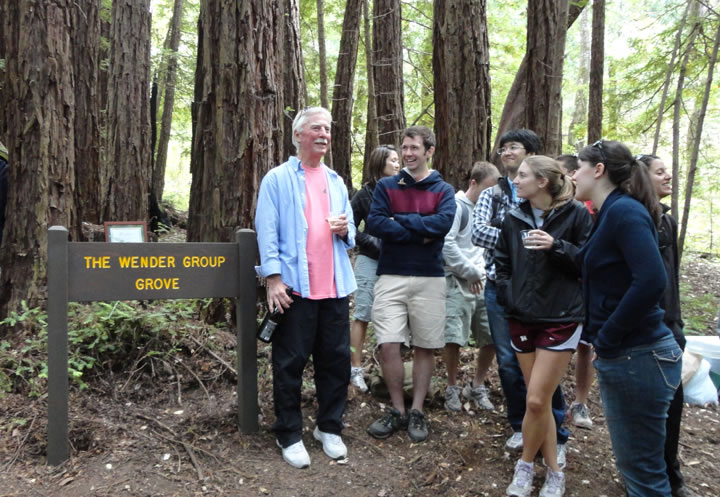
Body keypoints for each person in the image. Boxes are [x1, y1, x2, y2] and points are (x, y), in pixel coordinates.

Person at [573, 140, 682, 497]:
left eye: (578, 167)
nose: (572, 175)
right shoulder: (609, 212)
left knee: (644, 475)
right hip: (630, 354)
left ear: (598, 170)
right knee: (637, 469)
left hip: (639, 356)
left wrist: (608, 337)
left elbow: (651, 280)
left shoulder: (624, 212)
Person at [255, 106, 357, 469]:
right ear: (299, 134)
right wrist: (273, 279)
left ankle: (329, 427)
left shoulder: (336, 181)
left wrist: (346, 230)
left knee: (336, 362)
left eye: (327, 129)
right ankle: (289, 433)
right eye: (316, 128)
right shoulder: (277, 179)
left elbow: (350, 231)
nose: (324, 134)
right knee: (290, 363)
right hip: (295, 289)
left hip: (334, 287)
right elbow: (266, 231)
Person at [472, 129, 570, 465]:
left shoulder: (555, 200)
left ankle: (557, 433)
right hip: (500, 286)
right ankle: (520, 424)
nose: (506, 152)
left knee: (545, 365)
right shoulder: (492, 193)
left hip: (545, 291)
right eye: (502, 147)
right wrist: (520, 238)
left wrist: (518, 237)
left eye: (513, 147)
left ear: (532, 154)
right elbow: (478, 232)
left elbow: (562, 240)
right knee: (508, 360)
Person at [496, 156, 592, 497]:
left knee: (536, 400)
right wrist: (508, 296)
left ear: (542, 182)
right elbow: (502, 262)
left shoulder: (576, 214)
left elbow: (589, 262)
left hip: (560, 317)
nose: (515, 180)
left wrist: (556, 246)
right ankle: (554, 471)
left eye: (522, 175)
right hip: (522, 316)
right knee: (540, 401)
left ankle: (525, 465)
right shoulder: (514, 217)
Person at [365, 126, 456, 442]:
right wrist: (421, 231)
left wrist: (400, 221)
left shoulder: (443, 190)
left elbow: (442, 225)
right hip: (391, 274)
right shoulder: (386, 186)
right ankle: (397, 410)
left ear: (429, 151)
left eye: (414, 148)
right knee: (388, 343)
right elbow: (375, 223)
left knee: (424, 346)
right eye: (404, 148)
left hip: (429, 277)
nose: (407, 154)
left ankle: (417, 410)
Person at [638, 154, 699, 497]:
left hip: (671, 327)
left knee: (672, 405)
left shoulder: (668, 221)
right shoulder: (633, 220)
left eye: (668, 171)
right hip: (643, 331)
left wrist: (676, 322)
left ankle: (672, 475)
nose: (668, 176)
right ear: (641, 178)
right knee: (646, 410)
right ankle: (644, 475)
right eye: (659, 171)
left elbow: (670, 276)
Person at [442, 161, 500, 413]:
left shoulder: (488, 211)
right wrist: (470, 271)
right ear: (473, 183)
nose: (490, 195)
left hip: (484, 282)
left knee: (491, 335)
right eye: (487, 189)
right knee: (453, 337)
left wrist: (483, 272)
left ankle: (477, 384)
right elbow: (447, 244)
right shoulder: (456, 206)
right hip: (458, 281)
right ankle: (451, 386)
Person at [349, 145, 400, 392]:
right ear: (381, 163)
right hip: (369, 261)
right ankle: (355, 369)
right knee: (363, 313)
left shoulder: (403, 190)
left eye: (398, 160)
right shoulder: (364, 194)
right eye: (393, 160)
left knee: (392, 316)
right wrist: (369, 241)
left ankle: (386, 369)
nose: (398, 164)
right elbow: (349, 227)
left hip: (397, 262)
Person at [556, 153, 595, 430]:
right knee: (554, 344)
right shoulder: (548, 206)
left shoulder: (590, 206)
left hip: (586, 286)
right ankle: (552, 398)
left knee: (585, 344)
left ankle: (580, 402)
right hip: (558, 287)